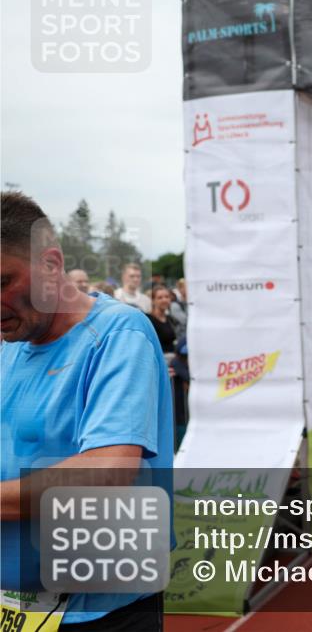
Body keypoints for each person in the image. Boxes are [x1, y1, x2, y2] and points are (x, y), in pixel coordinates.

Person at [0, 191, 174, 630]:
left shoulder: (118, 334)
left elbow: (107, 472)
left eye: (3, 281)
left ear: (51, 265)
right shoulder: (11, 343)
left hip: (98, 608)